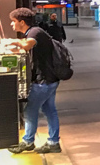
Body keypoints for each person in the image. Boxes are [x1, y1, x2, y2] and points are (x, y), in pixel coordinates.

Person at [7, 8, 63, 154]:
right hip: (50, 78)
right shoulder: (33, 32)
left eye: (13, 22)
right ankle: (53, 142)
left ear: (22, 22)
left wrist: (12, 42)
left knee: (30, 110)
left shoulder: (34, 32)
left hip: (44, 81)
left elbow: (27, 44)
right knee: (49, 110)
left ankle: (28, 141)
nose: (12, 25)